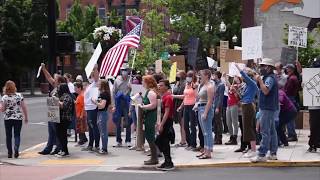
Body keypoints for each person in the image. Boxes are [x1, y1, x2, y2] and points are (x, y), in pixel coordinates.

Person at [251, 58, 279, 162]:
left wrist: (259, 80)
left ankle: (262, 154)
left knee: (265, 131)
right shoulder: (269, 77)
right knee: (271, 131)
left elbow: (266, 91)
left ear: (268, 67)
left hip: (267, 108)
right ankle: (273, 153)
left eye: (262, 66)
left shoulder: (270, 78)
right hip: (269, 107)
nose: (261, 68)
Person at [38, 63, 66, 155]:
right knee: (51, 132)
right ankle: (48, 148)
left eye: (56, 79)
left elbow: (62, 100)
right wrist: (44, 69)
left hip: (57, 111)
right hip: (51, 111)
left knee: (56, 131)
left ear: (59, 81)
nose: (54, 80)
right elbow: (49, 77)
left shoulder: (61, 89)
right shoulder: (55, 87)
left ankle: (58, 148)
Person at [234, 64, 258, 156]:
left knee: (249, 128)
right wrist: (236, 91)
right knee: (247, 128)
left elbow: (244, 75)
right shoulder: (247, 85)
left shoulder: (252, 83)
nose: (242, 78)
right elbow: (242, 97)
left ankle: (253, 150)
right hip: (245, 106)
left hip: (248, 106)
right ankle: (252, 149)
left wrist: (238, 67)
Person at [1, 81, 28, 158]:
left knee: (8, 135)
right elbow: (24, 107)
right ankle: (16, 148)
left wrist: (1, 107)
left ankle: (10, 152)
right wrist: (26, 117)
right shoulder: (19, 95)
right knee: (17, 134)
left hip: (8, 118)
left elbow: (2, 109)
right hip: (18, 117)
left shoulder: (4, 97)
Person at [175, 71, 198, 150]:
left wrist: (194, 88)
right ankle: (189, 143)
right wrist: (181, 106)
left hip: (192, 106)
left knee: (192, 126)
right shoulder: (186, 85)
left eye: (190, 76)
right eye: (187, 76)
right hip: (186, 106)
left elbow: (196, 96)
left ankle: (193, 144)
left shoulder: (194, 85)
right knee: (185, 125)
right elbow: (185, 96)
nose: (188, 77)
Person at [156, 80, 175, 170]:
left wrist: (161, 124)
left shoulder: (168, 97)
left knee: (163, 141)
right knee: (161, 141)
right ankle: (167, 161)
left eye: (162, 85)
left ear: (167, 87)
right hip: (163, 120)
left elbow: (167, 113)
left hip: (167, 121)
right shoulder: (163, 96)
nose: (159, 87)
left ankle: (169, 162)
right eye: (159, 85)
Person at [139, 75, 159, 165]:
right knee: (149, 135)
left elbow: (153, 105)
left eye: (143, 81)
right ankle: (153, 157)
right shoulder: (149, 91)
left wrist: (143, 107)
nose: (142, 83)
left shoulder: (151, 92)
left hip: (151, 116)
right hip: (149, 115)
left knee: (150, 136)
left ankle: (154, 158)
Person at [196, 69, 215, 159]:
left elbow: (210, 101)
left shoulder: (210, 86)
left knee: (207, 132)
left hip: (205, 108)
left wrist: (205, 112)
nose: (200, 76)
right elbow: (198, 97)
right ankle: (205, 150)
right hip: (200, 108)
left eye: (202, 75)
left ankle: (208, 152)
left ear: (207, 75)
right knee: (204, 132)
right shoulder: (203, 85)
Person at [113, 65, 132, 147]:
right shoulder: (117, 80)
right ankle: (118, 140)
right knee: (118, 122)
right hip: (118, 102)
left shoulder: (130, 80)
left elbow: (133, 93)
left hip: (127, 102)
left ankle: (128, 140)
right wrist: (113, 105)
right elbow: (113, 93)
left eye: (126, 70)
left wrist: (131, 88)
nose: (124, 71)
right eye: (123, 70)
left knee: (128, 122)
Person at [82, 65, 100, 152]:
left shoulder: (95, 83)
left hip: (93, 108)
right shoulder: (90, 85)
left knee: (94, 126)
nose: (90, 77)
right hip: (88, 108)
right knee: (90, 127)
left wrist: (95, 68)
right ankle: (90, 144)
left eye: (91, 75)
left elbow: (96, 77)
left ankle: (96, 145)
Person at [92, 80, 111, 155]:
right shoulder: (103, 93)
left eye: (99, 84)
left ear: (102, 85)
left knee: (103, 132)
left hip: (102, 113)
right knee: (103, 131)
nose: (98, 85)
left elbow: (102, 105)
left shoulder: (104, 94)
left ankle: (104, 149)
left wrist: (95, 102)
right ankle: (103, 148)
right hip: (101, 113)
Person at [55, 83, 74, 158]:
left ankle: (65, 151)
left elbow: (64, 106)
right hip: (60, 118)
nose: (58, 90)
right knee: (59, 134)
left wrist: (57, 101)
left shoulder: (67, 96)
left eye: (59, 88)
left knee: (62, 135)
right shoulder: (62, 96)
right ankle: (62, 150)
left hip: (65, 118)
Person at [284, 64, 299, 142]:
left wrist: (282, 94)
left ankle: (292, 135)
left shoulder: (292, 78)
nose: (286, 70)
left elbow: (288, 90)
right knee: (290, 118)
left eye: (287, 68)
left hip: (289, 98)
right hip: (291, 98)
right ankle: (291, 134)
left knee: (290, 118)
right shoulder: (292, 77)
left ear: (291, 69)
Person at [307, 59, 320, 153]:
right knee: (314, 126)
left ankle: (314, 144)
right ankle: (313, 144)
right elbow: (308, 86)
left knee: (314, 126)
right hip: (314, 105)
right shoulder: (314, 76)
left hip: (314, 106)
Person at [172, 71, 187, 147]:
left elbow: (185, 96)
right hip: (176, 104)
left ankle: (184, 140)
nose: (176, 76)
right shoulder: (177, 83)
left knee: (183, 123)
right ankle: (182, 140)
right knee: (180, 124)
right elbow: (174, 91)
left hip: (182, 104)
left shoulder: (185, 84)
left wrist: (174, 96)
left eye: (178, 75)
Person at [225, 76, 241, 145]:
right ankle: (231, 137)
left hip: (234, 105)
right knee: (228, 122)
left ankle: (235, 138)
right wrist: (225, 77)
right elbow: (228, 85)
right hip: (228, 105)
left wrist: (235, 91)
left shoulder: (239, 86)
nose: (235, 78)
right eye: (234, 77)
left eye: (236, 78)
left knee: (234, 122)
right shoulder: (232, 86)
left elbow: (239, 97)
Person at [212, 71, 225, 145]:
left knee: (218, 122)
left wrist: (217, 107)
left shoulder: (221, 85)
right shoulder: (215, 84)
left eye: (214, 75)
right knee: (215, 122)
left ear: (217, 76)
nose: (213, 76)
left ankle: (219, 138)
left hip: (218, 106)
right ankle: (216, 136)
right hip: (213, 105)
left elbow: (220, 97)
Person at [74, 82, 88, 146]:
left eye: (76, 88)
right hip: (79, 114)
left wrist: (82, 115)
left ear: (79, 88)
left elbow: (83, 106)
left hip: (80, 114)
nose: (74, 89)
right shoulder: (80, 95)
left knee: (80, 128)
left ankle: (81, 140)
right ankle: (84, 138)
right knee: (80, 128)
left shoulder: (81, 95)